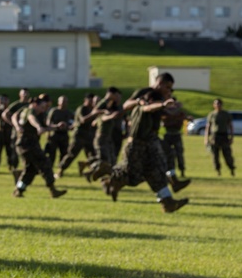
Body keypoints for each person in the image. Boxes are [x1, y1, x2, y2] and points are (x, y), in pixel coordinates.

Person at [102, 80, 189, 212]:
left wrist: (174, 109)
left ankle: (167, 202)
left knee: (157, 172)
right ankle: (108, 172)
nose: (169, 91)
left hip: (150, 142)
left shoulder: (158, 99)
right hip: (137, 143)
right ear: (160, 83)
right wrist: (160, 104)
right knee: (133, 177)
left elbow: (164, 113)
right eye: (168, 88)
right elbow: (146, 107)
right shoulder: (145, 98)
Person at [11, 94, 68, 199]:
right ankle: (52, 189)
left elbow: (45, 128)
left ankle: (19, 190)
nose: (43, 110)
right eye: (42, 107)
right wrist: (38, 127)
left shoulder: (39, 114)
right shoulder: (30, 111)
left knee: (31, 169)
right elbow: (32, 119)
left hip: (28, 144)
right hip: (27, 144)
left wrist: (56, 127)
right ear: (35, 105)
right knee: (45, 163)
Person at [55, 93, 98, 179]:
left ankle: (89, 169)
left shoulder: (92, 109)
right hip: (79, 135)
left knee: (93, 155)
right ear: (86, 100)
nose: (92, 102)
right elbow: (83, 120)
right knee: (71, 154)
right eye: (90, 100)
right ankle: (60, 170)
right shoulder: (81, 109)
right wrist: (94, 113)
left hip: (89, 136)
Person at [160, 96, 192, 180]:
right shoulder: (165, 112)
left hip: (176, 134)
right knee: (167, 154)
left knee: (179, 153)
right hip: (168, 134)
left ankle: (182, 170)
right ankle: (168, 171)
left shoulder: (179, 112)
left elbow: (186, 117)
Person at [204, 98, 235, 176]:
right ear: (214, 105)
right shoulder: (211, 114)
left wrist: (231, 137)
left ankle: (231, 168)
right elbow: (208, 127)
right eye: (216, 104)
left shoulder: (226, 114)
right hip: (215, 136)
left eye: (219, 104)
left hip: (224, 135)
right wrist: (206, 138)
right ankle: (218, 171)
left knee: (227, 154)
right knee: (215, 155)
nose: (218, 105)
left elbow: (230, 126)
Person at [43, 95, 71, 168]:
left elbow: (72, 123)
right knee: (52, 153)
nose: (63, 103)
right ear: (58, 102)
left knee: (64, 153)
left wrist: (67, 126)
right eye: (62, 101)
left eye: (65, 101)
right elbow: (48, 123)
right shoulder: (54, 111)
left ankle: (61, 168)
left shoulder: (68, 112)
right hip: (54, 134)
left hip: (64, 135)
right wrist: (49, 133)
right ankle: (50, 168)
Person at [0, 93, 16, 171]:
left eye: (5, 99)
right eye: (2, 99)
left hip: (8, 132)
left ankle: (11, 166)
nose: (4, 101)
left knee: (10, 150)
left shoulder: (10, 109)